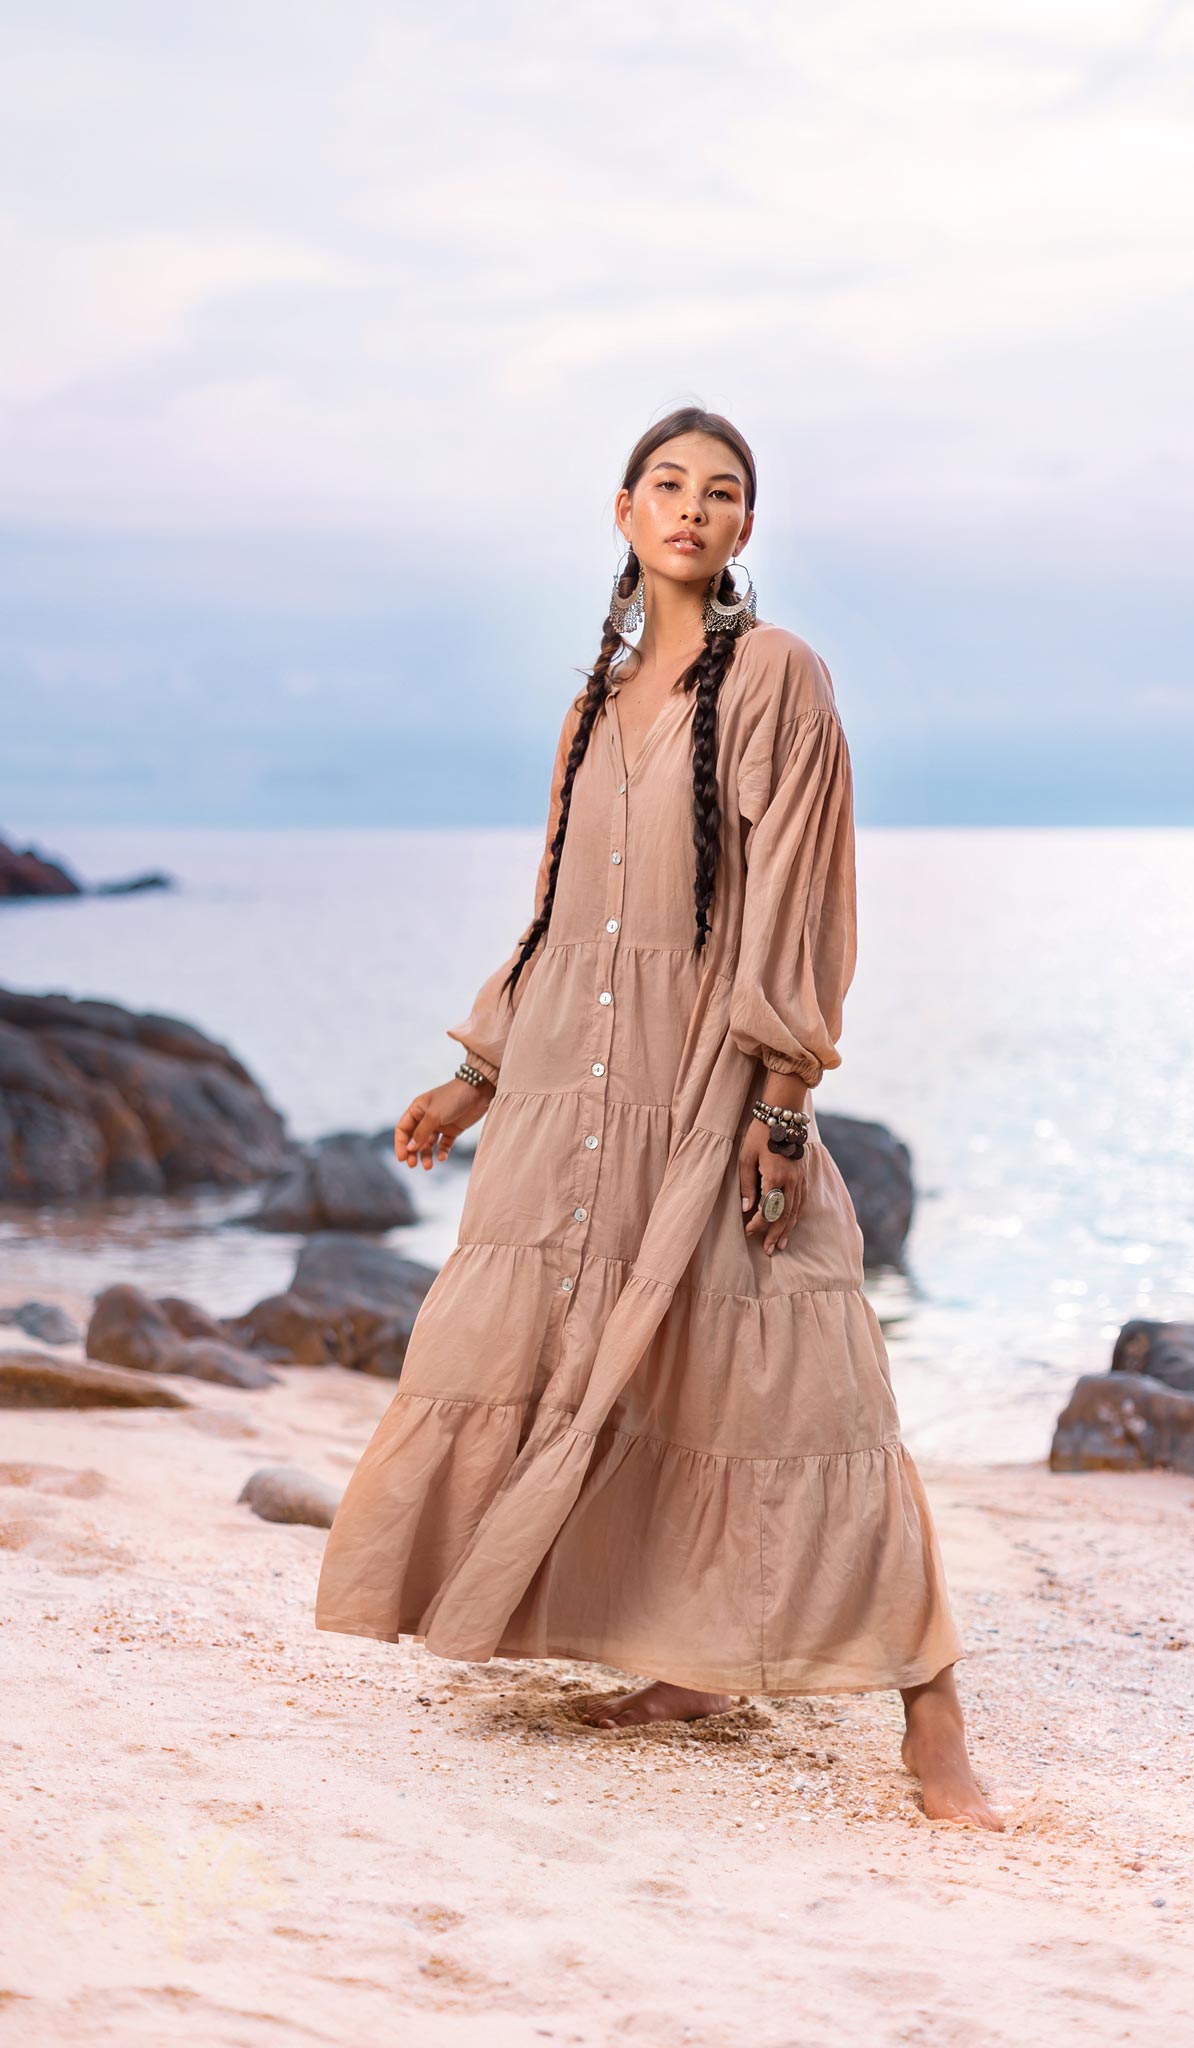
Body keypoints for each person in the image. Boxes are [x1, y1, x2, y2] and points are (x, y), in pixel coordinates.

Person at [314, 406, 1003, 1831]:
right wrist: (479, 1073)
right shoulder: (592, 704)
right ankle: (686, 1662)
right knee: (610, 1366)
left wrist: (785, 1100)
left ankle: (933, 1723)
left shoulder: (776, 679)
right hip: (575, 1095)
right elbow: (563, 915)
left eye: (724, 492)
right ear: (622, 510)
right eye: (669, 486)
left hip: (710, 1086)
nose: (693, 509)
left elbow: (796, 903)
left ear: (746, 527)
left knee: (807, 1381)